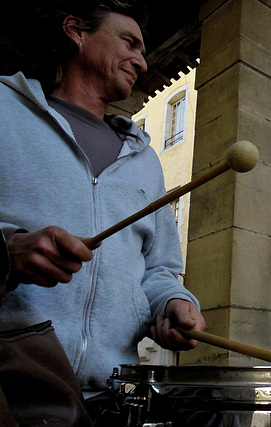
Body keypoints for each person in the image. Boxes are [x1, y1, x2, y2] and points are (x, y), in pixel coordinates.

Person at [0, 0, 206, 401]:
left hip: (110, 399)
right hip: (10, 393)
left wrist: (172, 302)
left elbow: (158, 268)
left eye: (144, 52)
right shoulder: (4, 112)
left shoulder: (145, 159)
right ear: (76, 32)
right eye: (129, 43)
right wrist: (8, 252)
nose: (141, 63)